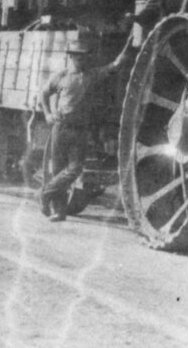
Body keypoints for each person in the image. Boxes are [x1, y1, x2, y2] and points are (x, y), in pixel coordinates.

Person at [38, 39, 133, 221]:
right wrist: (47, 114)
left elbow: (116, 64)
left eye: (84, 57)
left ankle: (44, 193)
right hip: (61, 127)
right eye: (78, 57)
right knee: (58, 170)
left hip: (80, 130)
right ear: (71, 57)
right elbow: (43, 93)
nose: (82, 60)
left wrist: (128, 41)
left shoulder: (91, 75)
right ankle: (59, 211)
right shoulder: (61, 76)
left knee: (75, 169)